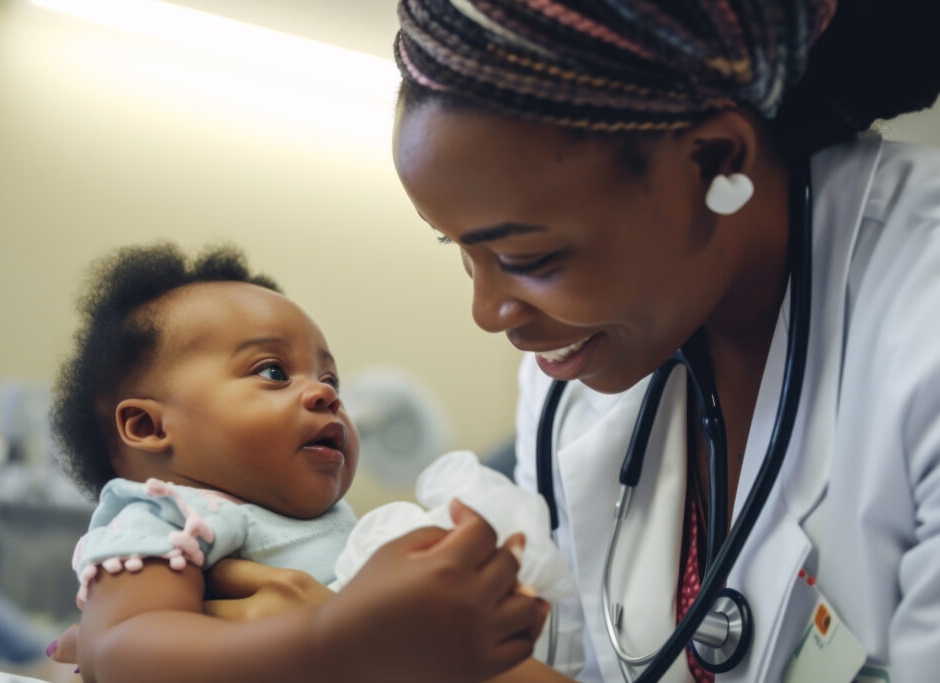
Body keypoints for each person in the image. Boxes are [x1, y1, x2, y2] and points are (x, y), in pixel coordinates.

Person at [390, 0, 940, 681]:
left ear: (714, 159)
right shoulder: (573, 369)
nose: (488, 311)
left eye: (529, 259)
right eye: (460, 248)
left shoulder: (923, 327)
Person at [48, 242, 549, 683]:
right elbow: (117, 650)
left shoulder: (333, 528)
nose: (323, 394)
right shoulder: (168, 516)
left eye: (330, 381)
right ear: (149, 427)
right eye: (273, 371)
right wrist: (327, 639)